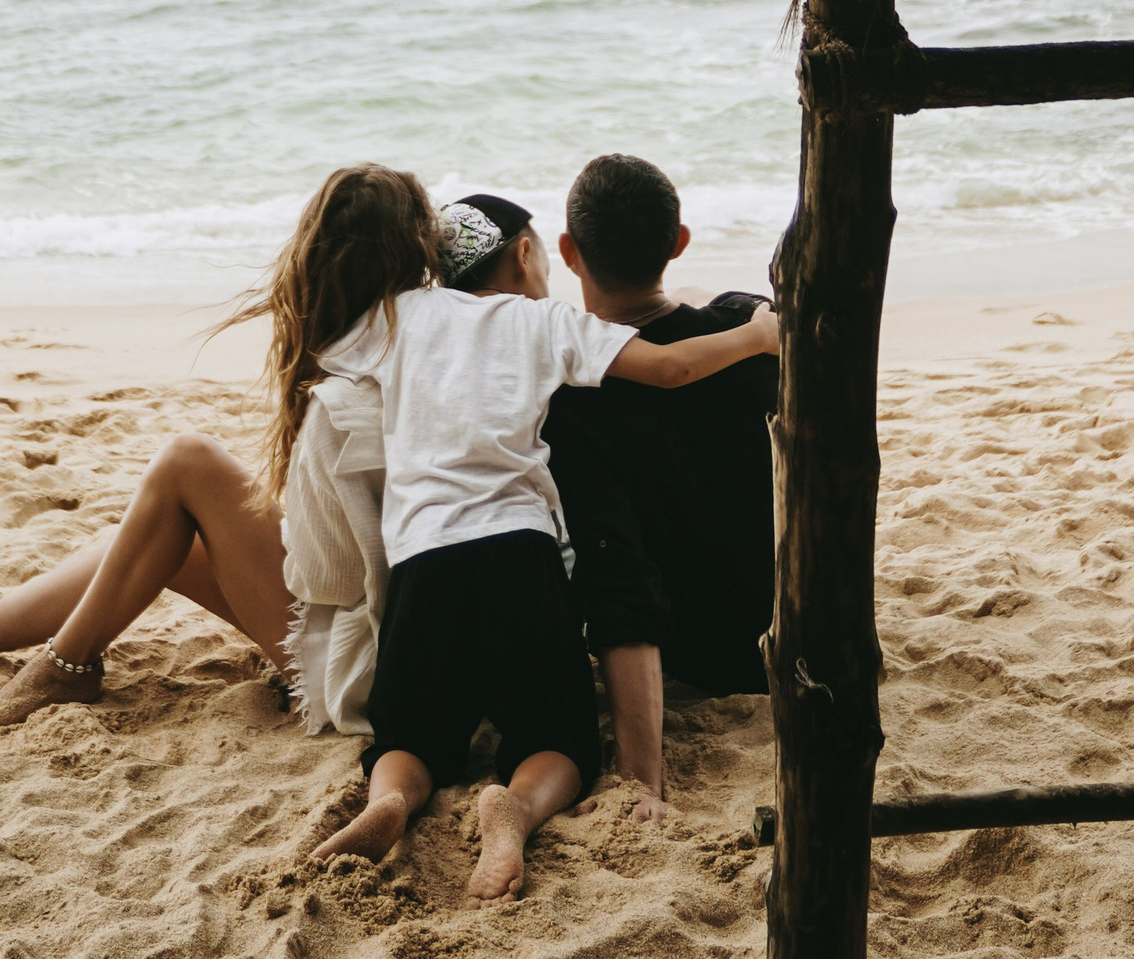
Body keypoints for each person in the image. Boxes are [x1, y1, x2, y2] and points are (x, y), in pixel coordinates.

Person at [301, 171, 779, 899]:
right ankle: (516, 807)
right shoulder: (544, 326)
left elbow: (327, 343)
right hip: (518, 555)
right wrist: (755, 333)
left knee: (406, 739)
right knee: (558, 742)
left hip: (425, 561)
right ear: (529, 255)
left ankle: (391, 801)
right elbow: (672, 367)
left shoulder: (395, 317)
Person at [0, 186, 398, 740]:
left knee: (188, 463)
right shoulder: (399, 345)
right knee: (158, 534)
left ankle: (66, 664)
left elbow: (337, 574)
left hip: (365, 668)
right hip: (371, 626)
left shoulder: (365, 379)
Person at [541, 150, 779, 816]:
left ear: (567, 251)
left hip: (691, 655)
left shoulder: (573, 395)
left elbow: (615, 563)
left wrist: (640, 777)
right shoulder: (748, 332)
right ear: (679, 243)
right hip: (771, 629)